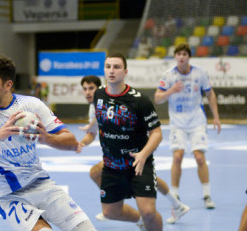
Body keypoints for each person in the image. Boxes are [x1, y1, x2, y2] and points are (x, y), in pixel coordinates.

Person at [0, 54, 96, 231]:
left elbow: (71, 142)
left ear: (8, 85)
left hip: (42, 185)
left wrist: (46, 138)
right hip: (8, 195)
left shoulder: (31, 105)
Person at [77, 75, 189, 225]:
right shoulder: (95, 106)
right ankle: (115, 201)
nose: (88, 92)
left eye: (91, 88)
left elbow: (155, 131)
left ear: (101, 88)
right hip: (116, 156)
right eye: (85, 89)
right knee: (96, 172)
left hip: (135, 150)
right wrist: (81, 143)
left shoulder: (122, 101)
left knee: (146, 176)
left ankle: (175, 204)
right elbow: (92, 132)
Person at [85, 53, 163, 231]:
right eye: (108, 66)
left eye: (117, 67)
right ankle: (141, 222)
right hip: (112, 166)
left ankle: (148, 219)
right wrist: (91, 127)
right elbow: (101, 116)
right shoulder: (98, 95)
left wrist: (143, 154)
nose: (112, 71)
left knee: (149, 211)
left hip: (138, 164)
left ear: (125, 71)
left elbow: (157, 132)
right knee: (110, 212)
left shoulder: (139, 100)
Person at [154, 43, 221, 209]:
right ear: (175, 57)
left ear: (188, 56)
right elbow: (157, 98)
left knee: (199, 157)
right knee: (177, 157)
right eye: (178, 54)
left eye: (184, 54)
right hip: (177, 122)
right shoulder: (168, 75)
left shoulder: (200, 73)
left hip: (197, 121)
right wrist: (171, 91)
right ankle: (175, 195)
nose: (181, 57)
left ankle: (207, 195)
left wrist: (216, 117)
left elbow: (210, 94)